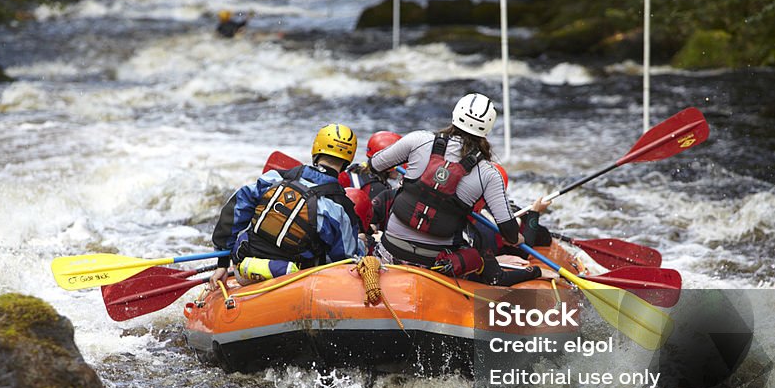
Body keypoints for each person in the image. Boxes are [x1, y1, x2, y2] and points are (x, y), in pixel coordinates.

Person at [369, 93, 547, 286]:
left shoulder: (418, 139)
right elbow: (509, 233)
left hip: (390, 252)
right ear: (487, 128)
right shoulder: (489, 173)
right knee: (476, 252)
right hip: (436, 265)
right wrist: (518, 237)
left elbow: (376, 164)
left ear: (455, 114)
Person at [209, 124, 361, 288]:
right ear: (348, 161)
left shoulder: (277, 177)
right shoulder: (340, 206)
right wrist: (363, 246)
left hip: (245, 269)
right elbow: (345, 261)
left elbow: (235, 207)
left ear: (316, 149)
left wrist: (222, 263)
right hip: (293, 279)